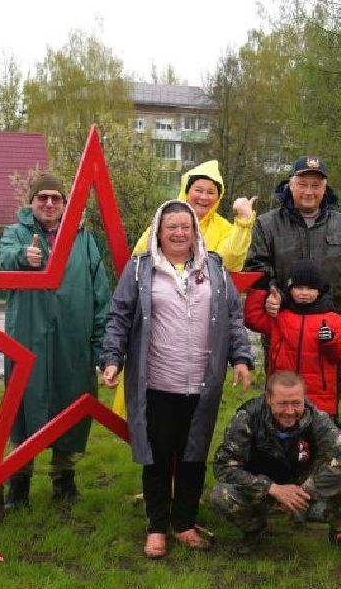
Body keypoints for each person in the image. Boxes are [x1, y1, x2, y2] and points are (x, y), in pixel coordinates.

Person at [100, 200, 255, 557]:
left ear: (194, 229)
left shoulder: (214, 267)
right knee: (157, 456)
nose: (179, 233)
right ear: (159, 231)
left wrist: (242, 358)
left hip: (203, 383)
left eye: (185, 226)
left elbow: (233, 315)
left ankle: (184, 523)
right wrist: (111, 358)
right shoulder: (140, 269)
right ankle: (157, 527)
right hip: (157, 381)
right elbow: (119, 316)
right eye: (171, 227)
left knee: (193, 454)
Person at [0, 171, 112, 509]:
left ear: (65, 204)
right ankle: (20, 481)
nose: (48, 203)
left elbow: (101, 296)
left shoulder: (84, 240)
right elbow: (5, 257)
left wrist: (99, 346)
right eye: (41, 197)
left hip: (72, 340)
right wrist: (23, 259)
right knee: (23, 406)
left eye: (55, 198)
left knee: (72, 403)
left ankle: (64, 477)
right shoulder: (17, 234)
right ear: (31, 202)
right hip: (28, 338)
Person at [245, 155, 341, 407]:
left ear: (325, 189)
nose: (309, 191)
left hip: (329, 340)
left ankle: (323, 446)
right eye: (303, 184)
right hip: (283, 338)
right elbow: (256, 270)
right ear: (290, 185)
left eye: (316, 185)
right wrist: (270, 293)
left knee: (325, 410)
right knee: (282, 408)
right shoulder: (267, 225)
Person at [209, 371, 341, 561]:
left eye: (296, 403)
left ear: (304, 399)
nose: (290, 411)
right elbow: (223, 466)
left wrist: (304, 491)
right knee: (221, 495)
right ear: (268, 398)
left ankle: (338, 533)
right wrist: (271, 488)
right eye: (282, 404)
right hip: (262, 487)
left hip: (302, 484)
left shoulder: (315, 417)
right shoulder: (247, 418)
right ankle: (254, 528)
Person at [242, 259, 341, 419]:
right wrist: (260, 286)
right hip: (283, 393)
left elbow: (339, 355)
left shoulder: (334, 319)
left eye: (310, 288)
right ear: (290, 289)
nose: (304, 293)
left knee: (316, 441)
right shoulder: (280, 316)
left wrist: (331, 341)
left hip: (319, 399)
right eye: (299, 288)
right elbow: (253, 318)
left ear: (320, 290)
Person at [131, 160, 256, 270]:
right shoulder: (164, 220)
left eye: (210, 192)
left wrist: (243, 222)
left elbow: (228, 263)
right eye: (198, 190)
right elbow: (139, 257)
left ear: (218, 197)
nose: (204, 197)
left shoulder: (224, 228)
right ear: (186, 192)